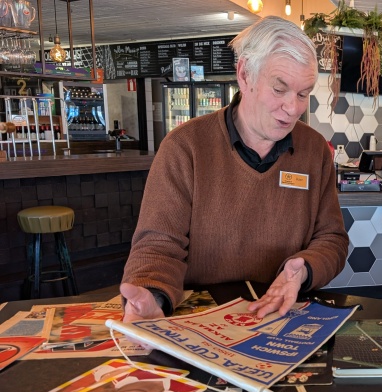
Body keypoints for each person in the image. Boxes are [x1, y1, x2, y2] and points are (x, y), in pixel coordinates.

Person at [120, 16, 348, 322]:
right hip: (201, 319)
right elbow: (159, 245)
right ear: (244, 74)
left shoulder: (315, 150)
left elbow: (332, 239)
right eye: (279, 89)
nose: (293, 108)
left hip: (283, 315)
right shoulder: (185, 147)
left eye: (303, 94)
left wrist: (304, 269)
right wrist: (152, 295)